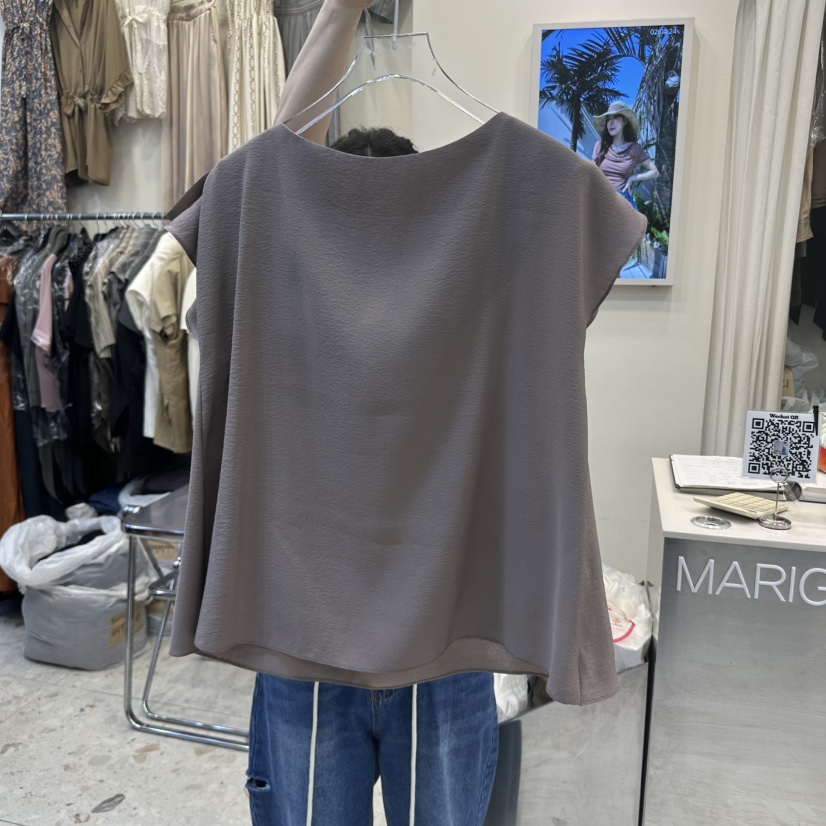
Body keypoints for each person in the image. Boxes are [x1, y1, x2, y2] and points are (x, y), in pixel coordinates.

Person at [243, 2, 500, 825]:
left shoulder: (467, 299)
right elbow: (277, 167)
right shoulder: (282, 292)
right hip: (318, 643)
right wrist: (341, 13)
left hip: (434, 644)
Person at [592, 101, 659, 208]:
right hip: (600, 198)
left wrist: (632, 178)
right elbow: (591, 173)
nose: (611, 123)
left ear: (625, 121)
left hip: (622, 201)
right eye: (608, 119)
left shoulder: (634, 149)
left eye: (615, 118)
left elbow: (654, 172)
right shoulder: (600, 146)